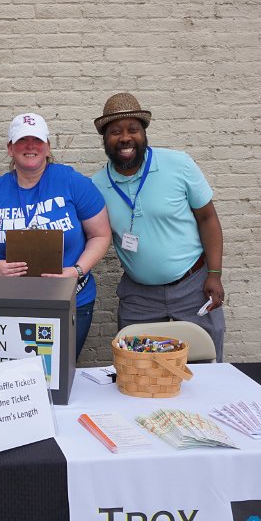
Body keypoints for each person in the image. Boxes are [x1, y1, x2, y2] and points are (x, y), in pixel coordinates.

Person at [90, 92, 225, 361]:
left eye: (133, 130)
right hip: (138, 296)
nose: (125, 138)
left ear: (144, 133)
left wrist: (215, 273)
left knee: (204, 366)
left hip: (194, 287)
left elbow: (208, 218)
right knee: (136, 368)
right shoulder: (96, 186)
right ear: (105, 139)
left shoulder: (178, 164)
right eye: (115, 131)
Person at [0, 113, 111, 355]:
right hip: (13, 304)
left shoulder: (73, 183)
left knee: (60, 375)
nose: (30, 146)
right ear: (10, 148)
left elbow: (100, 236)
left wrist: (77, 271)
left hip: (71, 300)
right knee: (19, 374)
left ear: (47, 147)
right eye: (22, 140)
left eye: (36, 140)